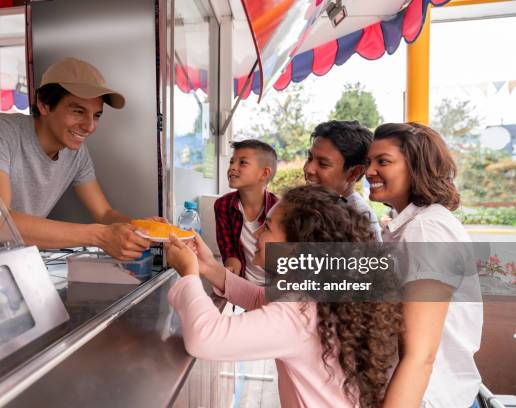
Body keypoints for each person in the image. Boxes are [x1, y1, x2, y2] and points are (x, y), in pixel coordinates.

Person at [168, 185, 402, 408]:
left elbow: (205, 338)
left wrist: (189, 274)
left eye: (267, 227)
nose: (257, 232)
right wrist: (208, 266)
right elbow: (263, 298)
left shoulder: (299, 312)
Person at [0, 57, 152, 260]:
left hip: (14, 262)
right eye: (78, 111)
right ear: (43, 104)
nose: (89, 126)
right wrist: (100, 236)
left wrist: (142, 230)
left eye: (96, 115)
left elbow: (105, 214)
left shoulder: (77, 153)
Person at [366, 122, 483, 408]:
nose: (369, 172)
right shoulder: (409, 226)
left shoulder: (426, 230)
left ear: (417, 167)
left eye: (383, 162)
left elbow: (420, 356)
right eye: (369, 162)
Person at [304, 120, 382, 241]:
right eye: (309, 158)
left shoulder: (361, 222)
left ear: (354, 173)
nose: (308, 169)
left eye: (323, 164)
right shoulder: (311, 204)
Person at [214, 139, 279, 285]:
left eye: (242, 163)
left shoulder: (280, 210)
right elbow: (228, 248)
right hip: (246, 286)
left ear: (264, 173)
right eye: (231, 162)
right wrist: (231, 265)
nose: (232, 168)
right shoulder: (222, 205)